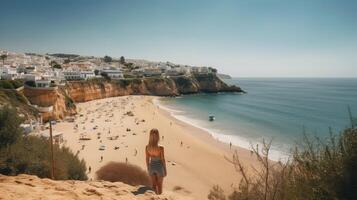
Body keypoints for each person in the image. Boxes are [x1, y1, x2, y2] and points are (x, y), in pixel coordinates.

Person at [146, 128, 167, 195]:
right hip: (159, 167)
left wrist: (148, 168)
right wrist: (165, 169)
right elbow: (163, 159)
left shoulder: (147, 147)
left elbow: (147, 159)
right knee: (160, 186)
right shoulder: (160, 148)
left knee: (154, 186)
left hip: (151, 166)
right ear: (158, 136)